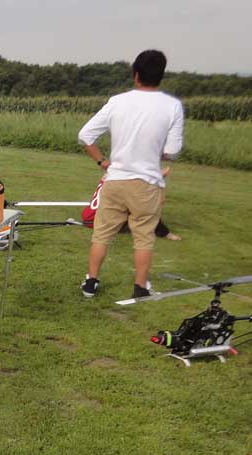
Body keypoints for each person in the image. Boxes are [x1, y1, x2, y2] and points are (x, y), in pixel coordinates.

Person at [77, 50, 184, 299]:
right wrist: (158, 153)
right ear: (161, 76)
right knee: (144, 237)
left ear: (136, 75)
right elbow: (172, 151)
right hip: (146, 183)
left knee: (102, 234)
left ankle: (91, 283)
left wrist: (102, 161)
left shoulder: (117, 101)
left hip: (114, 180)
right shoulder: (172, 106)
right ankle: (140, 287)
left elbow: (85, 135)